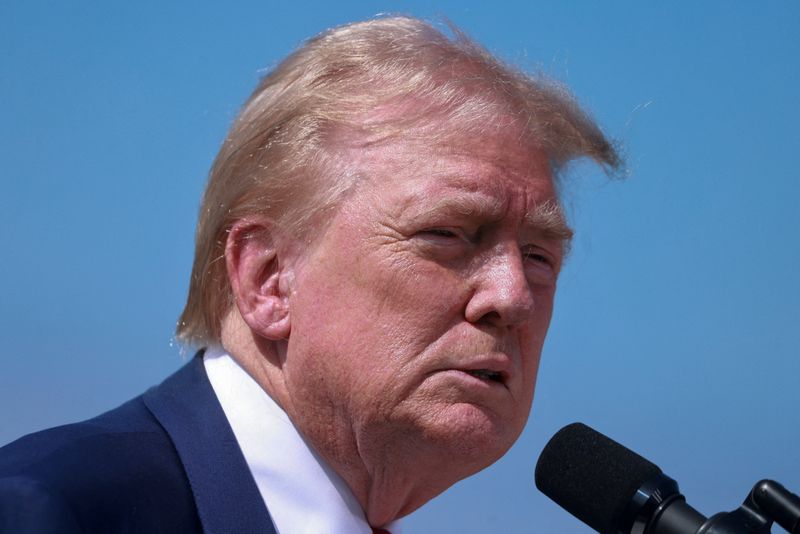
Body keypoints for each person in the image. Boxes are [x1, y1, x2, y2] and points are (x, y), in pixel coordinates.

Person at [0, 15, 619, 533]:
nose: (511, 296)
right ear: (268, 278)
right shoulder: (50, 512)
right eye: (449, 234)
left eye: (539, 255)